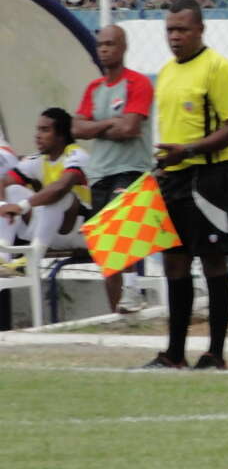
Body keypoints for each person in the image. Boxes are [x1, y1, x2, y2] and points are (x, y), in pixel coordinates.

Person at [146, 0, 228, 368]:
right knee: (174, 263)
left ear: (200, 30)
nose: (175, 37)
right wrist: (163, 168)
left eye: (182, 29)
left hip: (209, 178)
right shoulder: (167, 72)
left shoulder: (218, 68)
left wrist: (186, 152)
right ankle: (174, 353)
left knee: (213, 262)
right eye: (170, 29)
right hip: (172, 177)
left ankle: (215, 353)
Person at [72, 25, 154, 313]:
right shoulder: (93, 89)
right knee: (106, 244)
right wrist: (109, 124)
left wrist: (96, 127)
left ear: (123, 47)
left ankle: (133, 290)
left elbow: (130, 128)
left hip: (131, 167)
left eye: (110, 44)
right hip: (100, 172)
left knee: (120, 222)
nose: (104, 49)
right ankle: (116, 310)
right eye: (100, 45)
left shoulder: (138, 83)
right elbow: (76, 128)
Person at [0, 108, 91, 277]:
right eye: (38, 129)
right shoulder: (39, 159)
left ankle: (32, 260)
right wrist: (4, 205)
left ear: (61, 135)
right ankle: (3, 256)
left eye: (45, 130)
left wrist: (22, 206)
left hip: (77, 234)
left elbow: (60, 188)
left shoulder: (77, 155)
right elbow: (3, 182)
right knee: (11, 191)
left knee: (58, 196)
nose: (37, 135)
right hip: (47, 231)